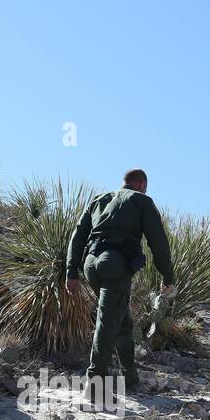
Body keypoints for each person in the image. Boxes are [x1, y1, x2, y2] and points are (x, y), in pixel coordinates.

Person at [65, 169, 177, 398]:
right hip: (115, 265)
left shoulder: (99, 200)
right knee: (106, 321)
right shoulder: (141, 201)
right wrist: (168, 276)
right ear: (142, 184)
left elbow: (77, 236)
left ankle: (130, 379)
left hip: (91, 266)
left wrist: (71, 272)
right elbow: (158, 242)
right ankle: (94, 385)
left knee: (122, 322)